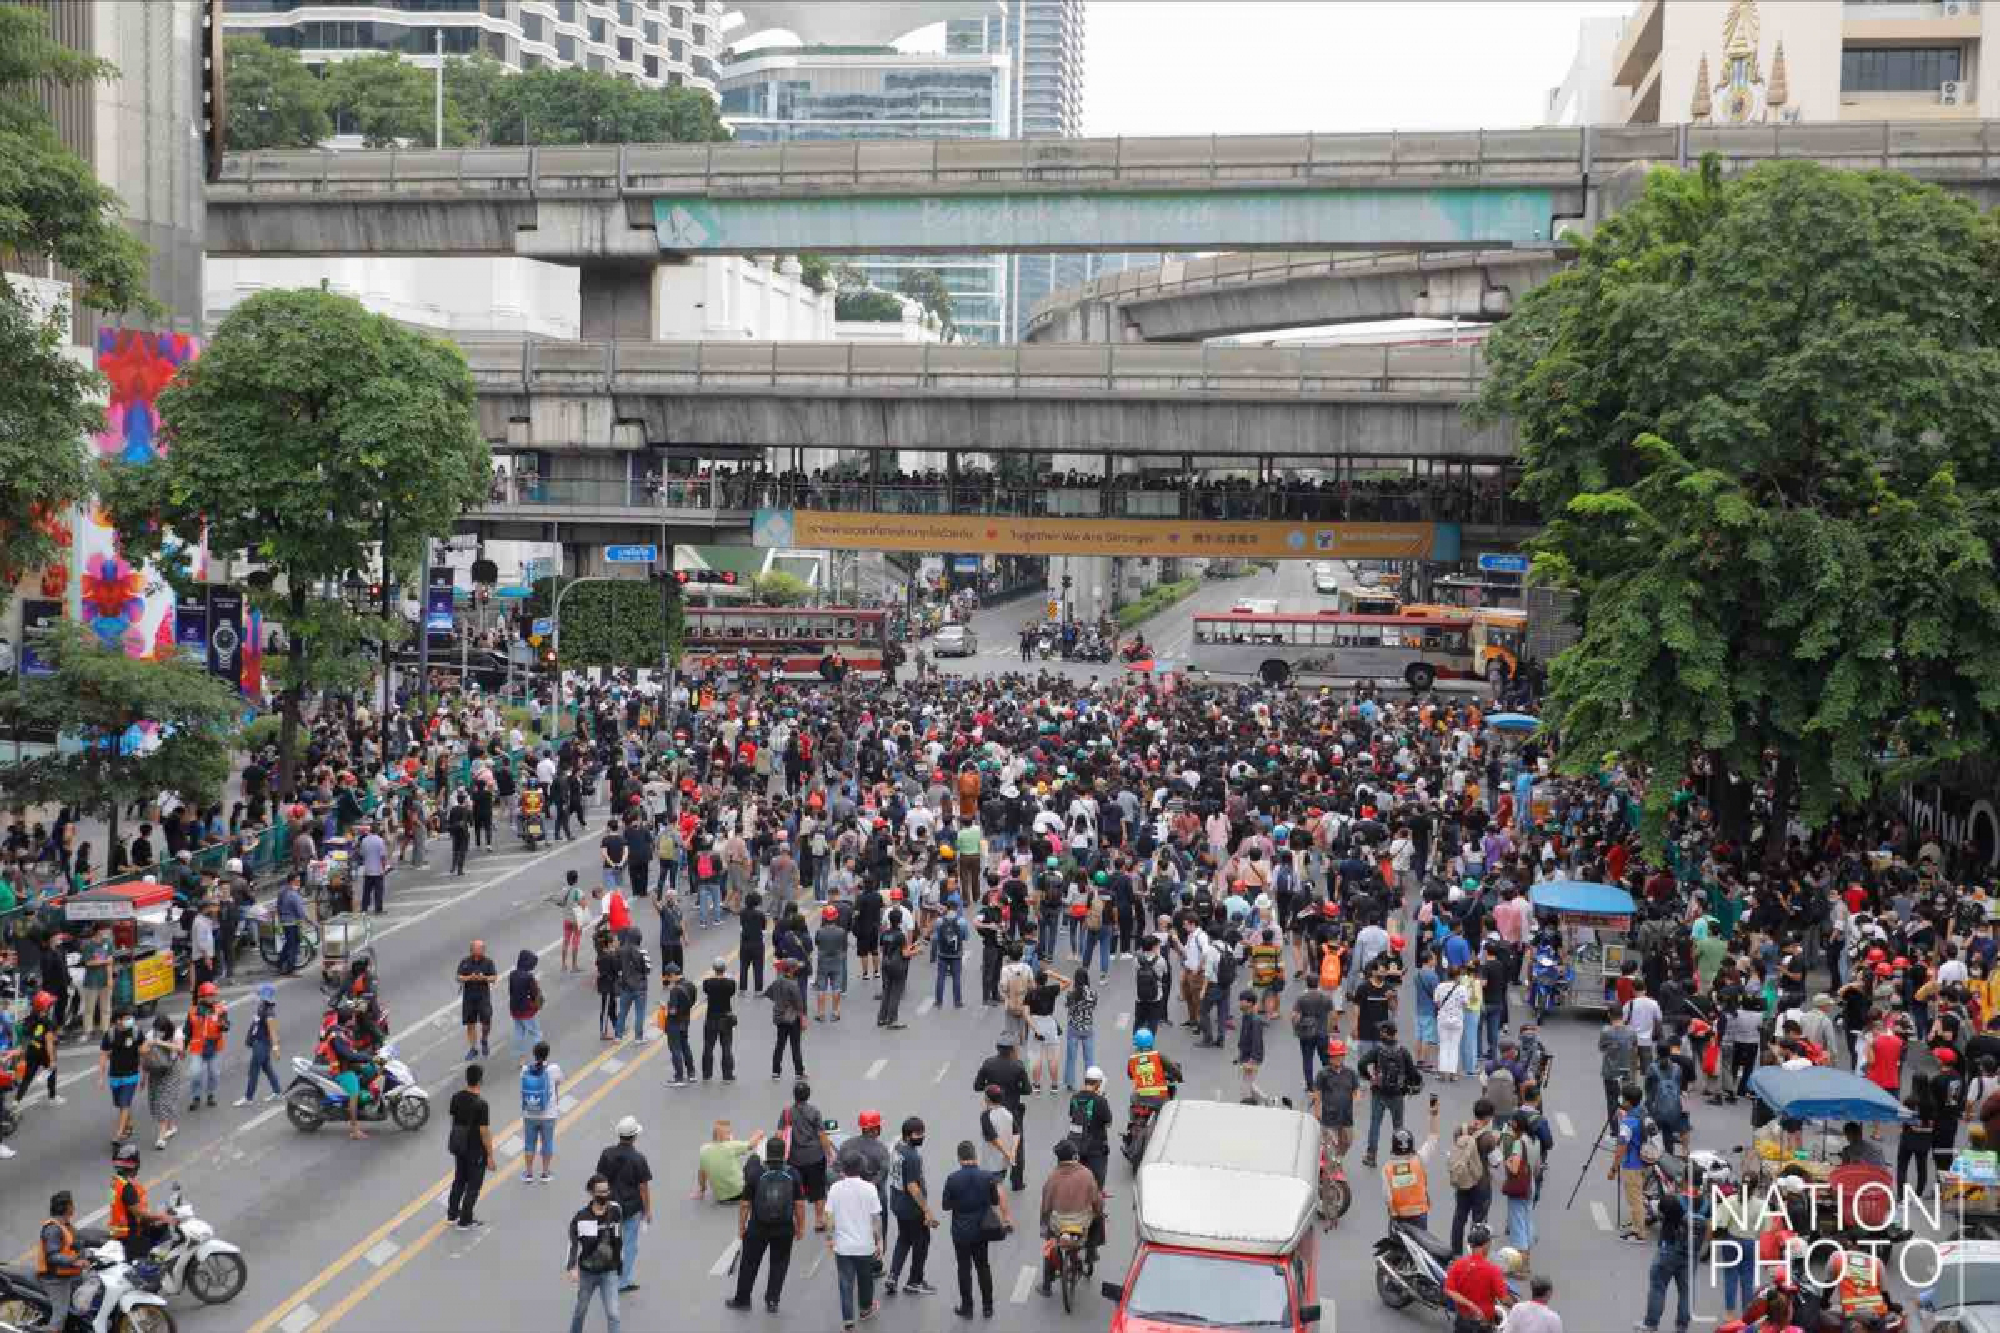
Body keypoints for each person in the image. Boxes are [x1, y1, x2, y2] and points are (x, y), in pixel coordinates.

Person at [729, 1137, 805, 1314]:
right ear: (784, 1153)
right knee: (779, 1264)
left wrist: (741, 1226)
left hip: (758, 1227)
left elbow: (745, 1204)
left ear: (767, 1153)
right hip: (784, 1228)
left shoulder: (756, 1173)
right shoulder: (793, 1174)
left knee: (749, 1263)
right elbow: (799, 1204)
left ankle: (742, 1299)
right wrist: (800, 1227)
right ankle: (772, 1300)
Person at [941, 1138, 1013, 1319]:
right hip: (982, 1230)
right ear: (975, 1156)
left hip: (960, 1232)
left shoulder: (952, 1179)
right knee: (983, 1267)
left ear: (959, 1158)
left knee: (964, 1269)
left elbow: (946, 1206)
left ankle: (967, 1307)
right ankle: (987, 1307)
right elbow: (996, 1201)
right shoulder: (987, 1177)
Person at [1036, 1138, 1104, 1298]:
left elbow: (1045, 1206)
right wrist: (1098, 1212)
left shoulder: (1052, 1177)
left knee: (1050, 1244)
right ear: (1075, 1157)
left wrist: (1044, 1224)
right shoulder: (1087, 1174)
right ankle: (1092, 1251)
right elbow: (1096, 1201)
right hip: (1081, 1222)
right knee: (1098, 1218)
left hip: (1058, 1224)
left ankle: (1046, 1285)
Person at [594, 1116, 653, 1294]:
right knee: (629, 1245)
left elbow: (599, 1180)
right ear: (635, 1136)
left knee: (608, 1241)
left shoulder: (606, 1153)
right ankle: (623, 1281)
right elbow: (643, 1188)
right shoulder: (638, 1159)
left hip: (609, 1206)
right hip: (630, 1208)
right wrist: (647, 1210)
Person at [884, 1115, 940, 1298]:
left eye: (923, 1133)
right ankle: (914, 1281)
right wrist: (927, 1211)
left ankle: (893, 1276)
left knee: (903, 1239)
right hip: (911, 1207)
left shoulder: (897, 1147)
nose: (922, 1137)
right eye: (918, 1134)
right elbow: (913, 1187)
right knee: (922, 1242)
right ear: (908, 1136)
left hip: (897, 1202)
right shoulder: (912, 1157)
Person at [827, 1156, 884, 1329]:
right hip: (865, 1246)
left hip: (843, 1246)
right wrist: (879, 1241)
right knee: (865, 1280)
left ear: (843, 1168)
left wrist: (830, 1239)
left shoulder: (835, 1188)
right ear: (862, 1168)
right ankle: (865, 1309)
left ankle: (848, 1322)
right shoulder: (870, 1189)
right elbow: (876, 1218)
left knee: (845, 1283)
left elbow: (829, 1216)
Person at [565, 1174, 625, 1333]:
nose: (604, 1195)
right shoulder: (581, 1218)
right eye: (600, 1192)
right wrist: (572, 1266)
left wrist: (620, 1261)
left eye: (607, 1191)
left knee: (614, 1314)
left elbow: (619, 1236)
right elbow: (573, 1242)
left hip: (609, 1271)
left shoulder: (616, 1210)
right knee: (580, 1311)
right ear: (591, 1193)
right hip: (587, 1273)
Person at [1638, 1189, 1703, 1333]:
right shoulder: (1706, 1203)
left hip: (1669, 1249)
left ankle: (1651, 1324)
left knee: (1658, 1287)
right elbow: (1710, 1228)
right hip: (1691, 1253)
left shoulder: (1672, 1201)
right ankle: (1681, 1327)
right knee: (1686, 1291)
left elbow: (1656, 1212)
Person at [780, 1081, 836, 1231]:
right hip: (815, 1158)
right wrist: (829, 1154)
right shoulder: (814, 1112)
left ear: (794, 1096)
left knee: (795, 1191)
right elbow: (822, 1135)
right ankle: (819, 1221)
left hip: (794, 1159)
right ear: (808, 1095)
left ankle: (795, 1222)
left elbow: (780, 1135)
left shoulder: (786, 1113)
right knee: (818, 1190)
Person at [446, 1063, 496, 1228]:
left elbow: (454, 1120)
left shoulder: (456, 1097)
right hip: (475, 1150)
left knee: (459, 1180)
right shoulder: (481, 1104)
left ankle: (452, 1213)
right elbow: (484, 1132)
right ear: (480, 1080)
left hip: (459, 1145)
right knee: (473, 1185)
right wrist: (489, 1154)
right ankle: (466, 1219)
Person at [1442, 1222, 1509, 1333]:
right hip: (1483, 1323)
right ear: (1486, 1245)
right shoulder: (1493, 1270)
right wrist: (1514, 1304)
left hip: (1462, 1321)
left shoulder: (1458, 1264)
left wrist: (1470, 1304)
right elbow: (1503, 1298)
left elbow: (1449, 1290)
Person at [107, 1142, 169, 1259]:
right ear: (135, 1165)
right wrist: (162, 1217)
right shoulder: (127, 1188)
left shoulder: (116, 1182)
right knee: (151, 1266)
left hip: (118, 1232)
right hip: (130, 1236)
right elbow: (140, 1215)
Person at [98, 1006, 145, 1142]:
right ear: (118, 1020)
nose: (131, 1020)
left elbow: (142, 1053)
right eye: (127, 1018)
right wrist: (101, 1077)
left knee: (124, 1103)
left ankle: (119, 1133)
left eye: (131, 1018)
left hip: (131, 1074)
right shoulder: (110, 1035)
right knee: (120, 1103)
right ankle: (128, 1123)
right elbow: (103, 1056)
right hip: (115, 1075)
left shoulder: (136, 1032)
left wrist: (143, 1074)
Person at [1066, 1067, 1115, 1190]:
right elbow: (1108, 1122)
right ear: (1098, 1083)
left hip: (1077, 1145)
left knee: (1079, 1182)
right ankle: (1095, 1206)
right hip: (1096, 1149)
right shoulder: (1100, 1100)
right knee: (1097, 1184)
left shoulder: (1074, 1097)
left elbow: (1071, 1115)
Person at [183, 981, 229, 1110]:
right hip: (198, 1047)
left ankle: (210, 1094)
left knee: (214, 1073)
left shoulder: (220, 1009)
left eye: (213, 995)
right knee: (195, 1073)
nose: (212, 998)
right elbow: (187, 1032)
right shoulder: (192, 1012)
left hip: (215, 1046)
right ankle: (196, 1096)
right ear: (202, 997)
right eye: (209, 995)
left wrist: (223, 1025)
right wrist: (183, 1049)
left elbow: (226, 1025)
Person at [693, 1120, 765, 1203]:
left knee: (703, 1168)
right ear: (722, 1136)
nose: (731, 1135)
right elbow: (752, 1144)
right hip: (742, 1194)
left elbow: (702, 1173)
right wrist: (758, 1133)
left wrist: (702, 1189)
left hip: (721, 1198)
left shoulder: (703, 1149)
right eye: (729, 1133)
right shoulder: (731, 1146)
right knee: (754, 1159)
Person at [521, 1040, 563, 1183]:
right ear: (547, 1054)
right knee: (547, 1142)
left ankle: (528, 1173)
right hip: (549, 1114)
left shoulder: (525, 1069)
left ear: (534, 1054)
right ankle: (545, 1173)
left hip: (530, 1113)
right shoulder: (554, 1069)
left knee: (529, 1143)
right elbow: (559, 1082)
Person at [234, 986, 282, 1107]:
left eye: (260, 994)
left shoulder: (269, 1012)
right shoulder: (262, 1007)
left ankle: (248, 1097)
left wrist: (276, 1048)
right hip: (259, 1043)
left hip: (262, 1044)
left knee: (253, 1071)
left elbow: (273, 1031)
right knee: (267, 1068)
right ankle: (277, 1092)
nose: (258, 996)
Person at [458, 939, 498, 1061]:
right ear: (472, 950)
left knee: (486, 1021)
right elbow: (458, 977)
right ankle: (473, 1048)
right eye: (479, 948)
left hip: (483, 997)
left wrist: (483, 978)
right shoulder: (465, 962)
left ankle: (484, 1039)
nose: (482, 950)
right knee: (470, 1023)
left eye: (482, 948)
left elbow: (494, 978)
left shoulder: (488, 962)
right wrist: (469, 977)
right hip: (469, 997)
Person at [660, 962, 697, 1087]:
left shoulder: (675, 990)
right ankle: (691, 1074)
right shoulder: (691, 985)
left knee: (675, 1049)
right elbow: (692, 1002)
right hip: (685, 1020)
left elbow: (673, 1011)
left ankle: (679, 1077)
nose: (669, 980)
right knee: (685, 1046)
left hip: (674, 1023)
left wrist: (665, 1007)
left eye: (668, 977)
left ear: (672, 975)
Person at [702, 957, 738, 1083]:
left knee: (708, 1046)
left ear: (714, 969)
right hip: (725, 1017)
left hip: (711, 1017)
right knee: (726, 1046)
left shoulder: (707, 983)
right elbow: (732, 991)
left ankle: (707, 1073)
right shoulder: (730, 984)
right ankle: (727, 1075)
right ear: (724, 969)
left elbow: (705, 989)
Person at [509, 949, 545, 1064]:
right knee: (536, 1033)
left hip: (515, 1009)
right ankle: (539, 1058)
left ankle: (521, 1058)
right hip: (527, 1010)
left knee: (519, 1033)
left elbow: (510, 991)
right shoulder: (529, 977)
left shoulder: (512, 974)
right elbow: (534, 994)